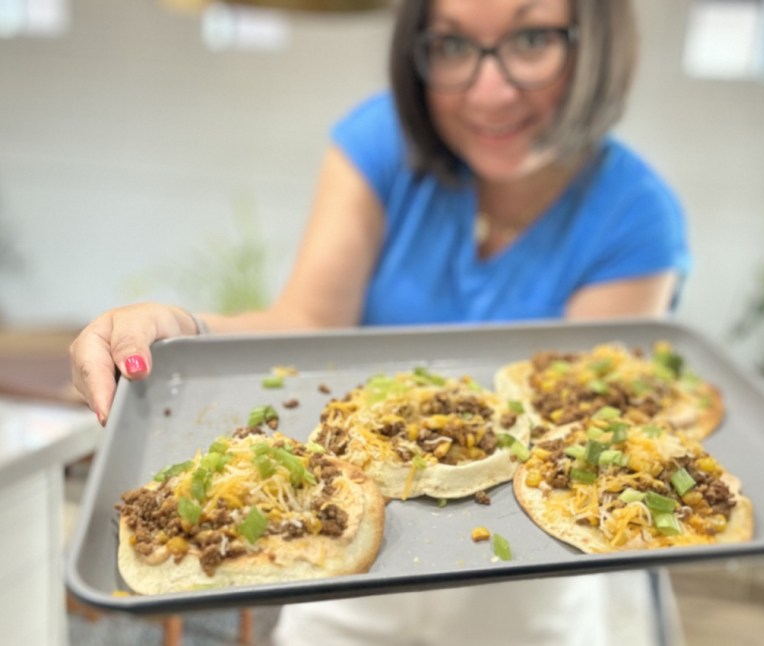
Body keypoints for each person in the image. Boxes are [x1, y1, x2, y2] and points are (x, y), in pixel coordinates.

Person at [70, 0, 690, 644]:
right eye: (451, 46)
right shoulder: (381, 144)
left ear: (597, 43)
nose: (489, 90)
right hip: (346, 563)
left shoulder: (636, 214)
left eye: (531, 40)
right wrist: (186, 329)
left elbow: (580, 432)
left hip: (534, 588)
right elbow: (306, 324)